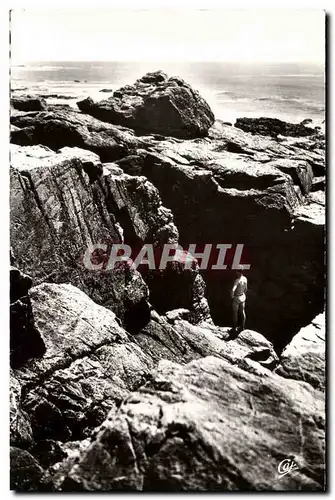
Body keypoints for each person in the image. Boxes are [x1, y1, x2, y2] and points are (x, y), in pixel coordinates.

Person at [231, 265, 248, 333]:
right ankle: (242, 327)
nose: (235, 272)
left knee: (235, 313)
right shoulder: (245, 279)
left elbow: (233, 290)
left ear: (238, 272)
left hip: (237, 298)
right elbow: (246, 289)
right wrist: (243, 294)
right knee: (242, 312)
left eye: (236, 271)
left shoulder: (237, 280)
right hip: (242, 297)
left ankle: (234, 328)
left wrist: (232, 296)